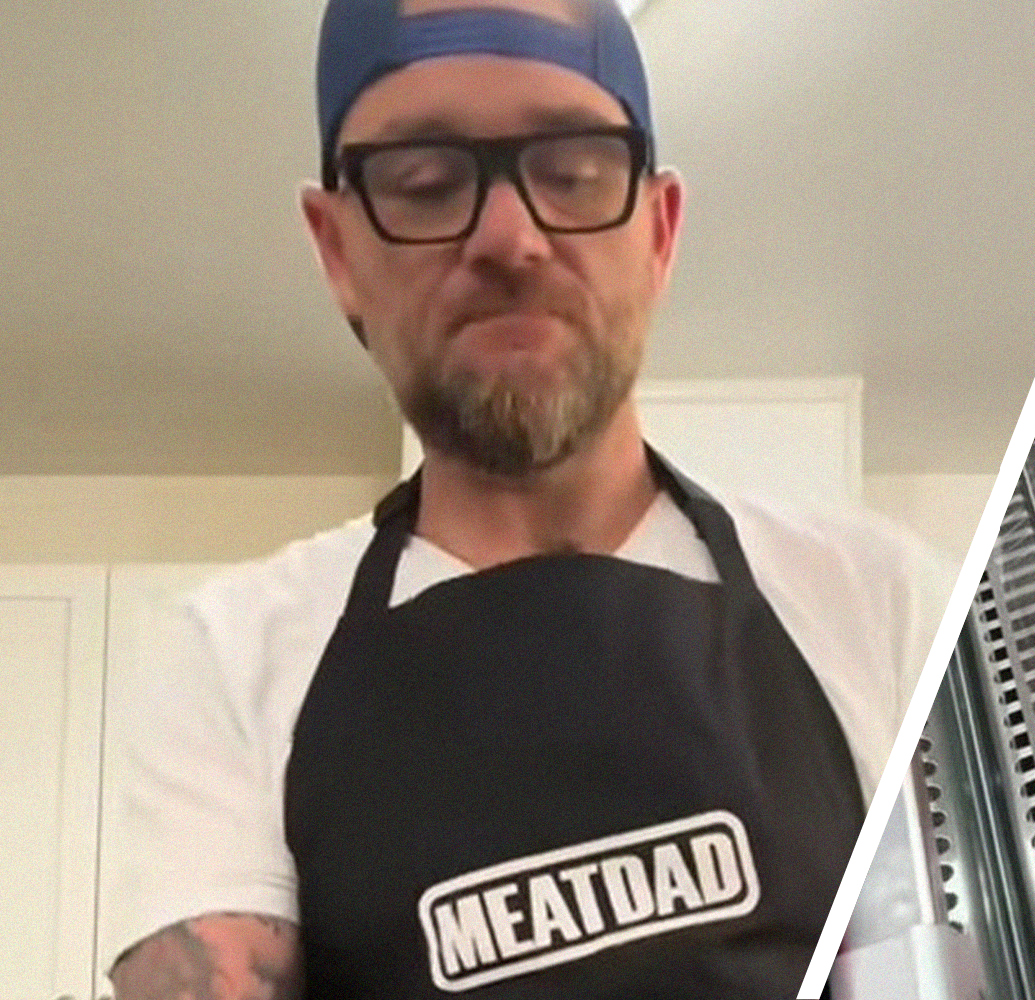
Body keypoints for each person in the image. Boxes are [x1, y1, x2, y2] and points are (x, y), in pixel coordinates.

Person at [103, 0, 951, 996]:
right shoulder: (228, 663)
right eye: (422, 185)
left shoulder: (878, 597)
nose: (509, 236)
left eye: (573, 171)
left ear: (659, 231)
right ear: (338, 253)